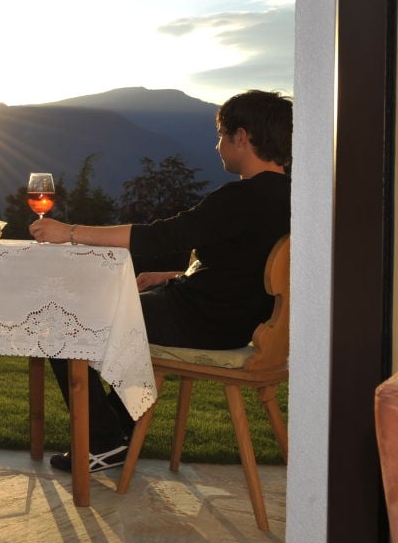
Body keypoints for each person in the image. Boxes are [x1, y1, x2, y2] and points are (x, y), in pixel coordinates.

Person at [28, 90, 292, 474]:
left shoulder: (241, 197)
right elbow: (249, 267)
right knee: (125, 313)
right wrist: (176, 275)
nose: (217, 146)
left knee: (58, 321)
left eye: (221, 135)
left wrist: (68, 231)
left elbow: (158, 237)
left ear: (242, 136)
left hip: (199, 321)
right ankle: (117, 434)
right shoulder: (294, 197)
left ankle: (100, 442)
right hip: (234, 321)